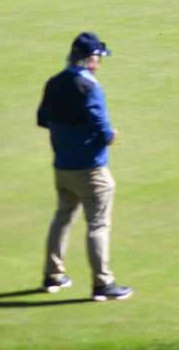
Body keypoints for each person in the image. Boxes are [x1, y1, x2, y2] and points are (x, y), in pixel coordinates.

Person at [37, 32, 132, 301]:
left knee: (62, 218)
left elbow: (43, 119)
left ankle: (53, 275)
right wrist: (110, 136)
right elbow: (102, 129)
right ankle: (103, 283)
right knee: (98, 225)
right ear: (91, 59)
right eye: (99, 59)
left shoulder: (54, 82)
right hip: (91, 169)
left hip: (62, 167)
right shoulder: (90, 86)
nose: (99, 64)